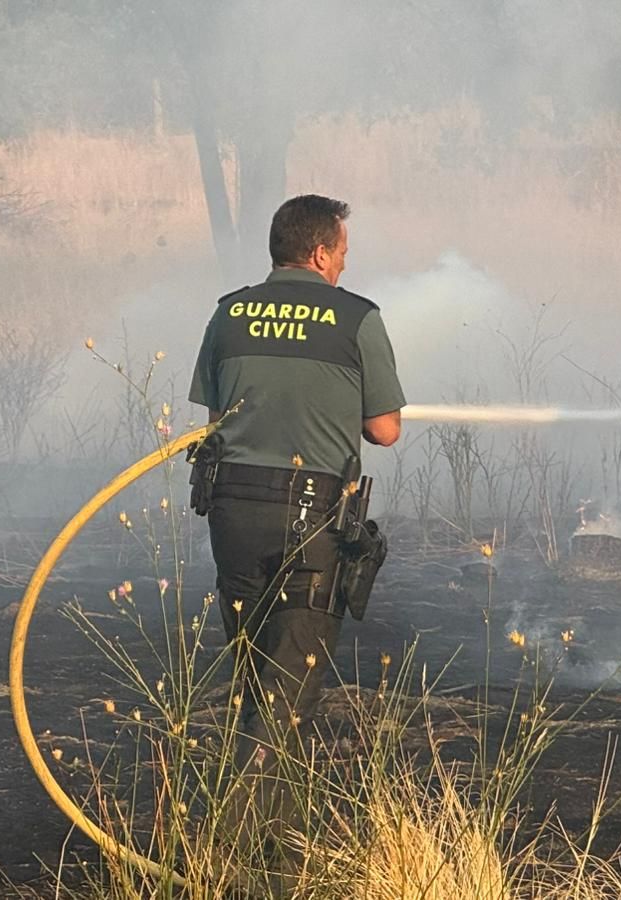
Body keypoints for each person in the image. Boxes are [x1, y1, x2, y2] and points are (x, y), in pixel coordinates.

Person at [188, 193, 403, 889]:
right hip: (311, 522)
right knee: (286, 697)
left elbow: (218, 417)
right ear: (319, 253)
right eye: (342, 250)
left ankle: (268, 848)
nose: (345, 263)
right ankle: (247, 865)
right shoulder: (357, 318)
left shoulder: (230, 312)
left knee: (257, 681)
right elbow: (385, 430)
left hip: (232, 515)